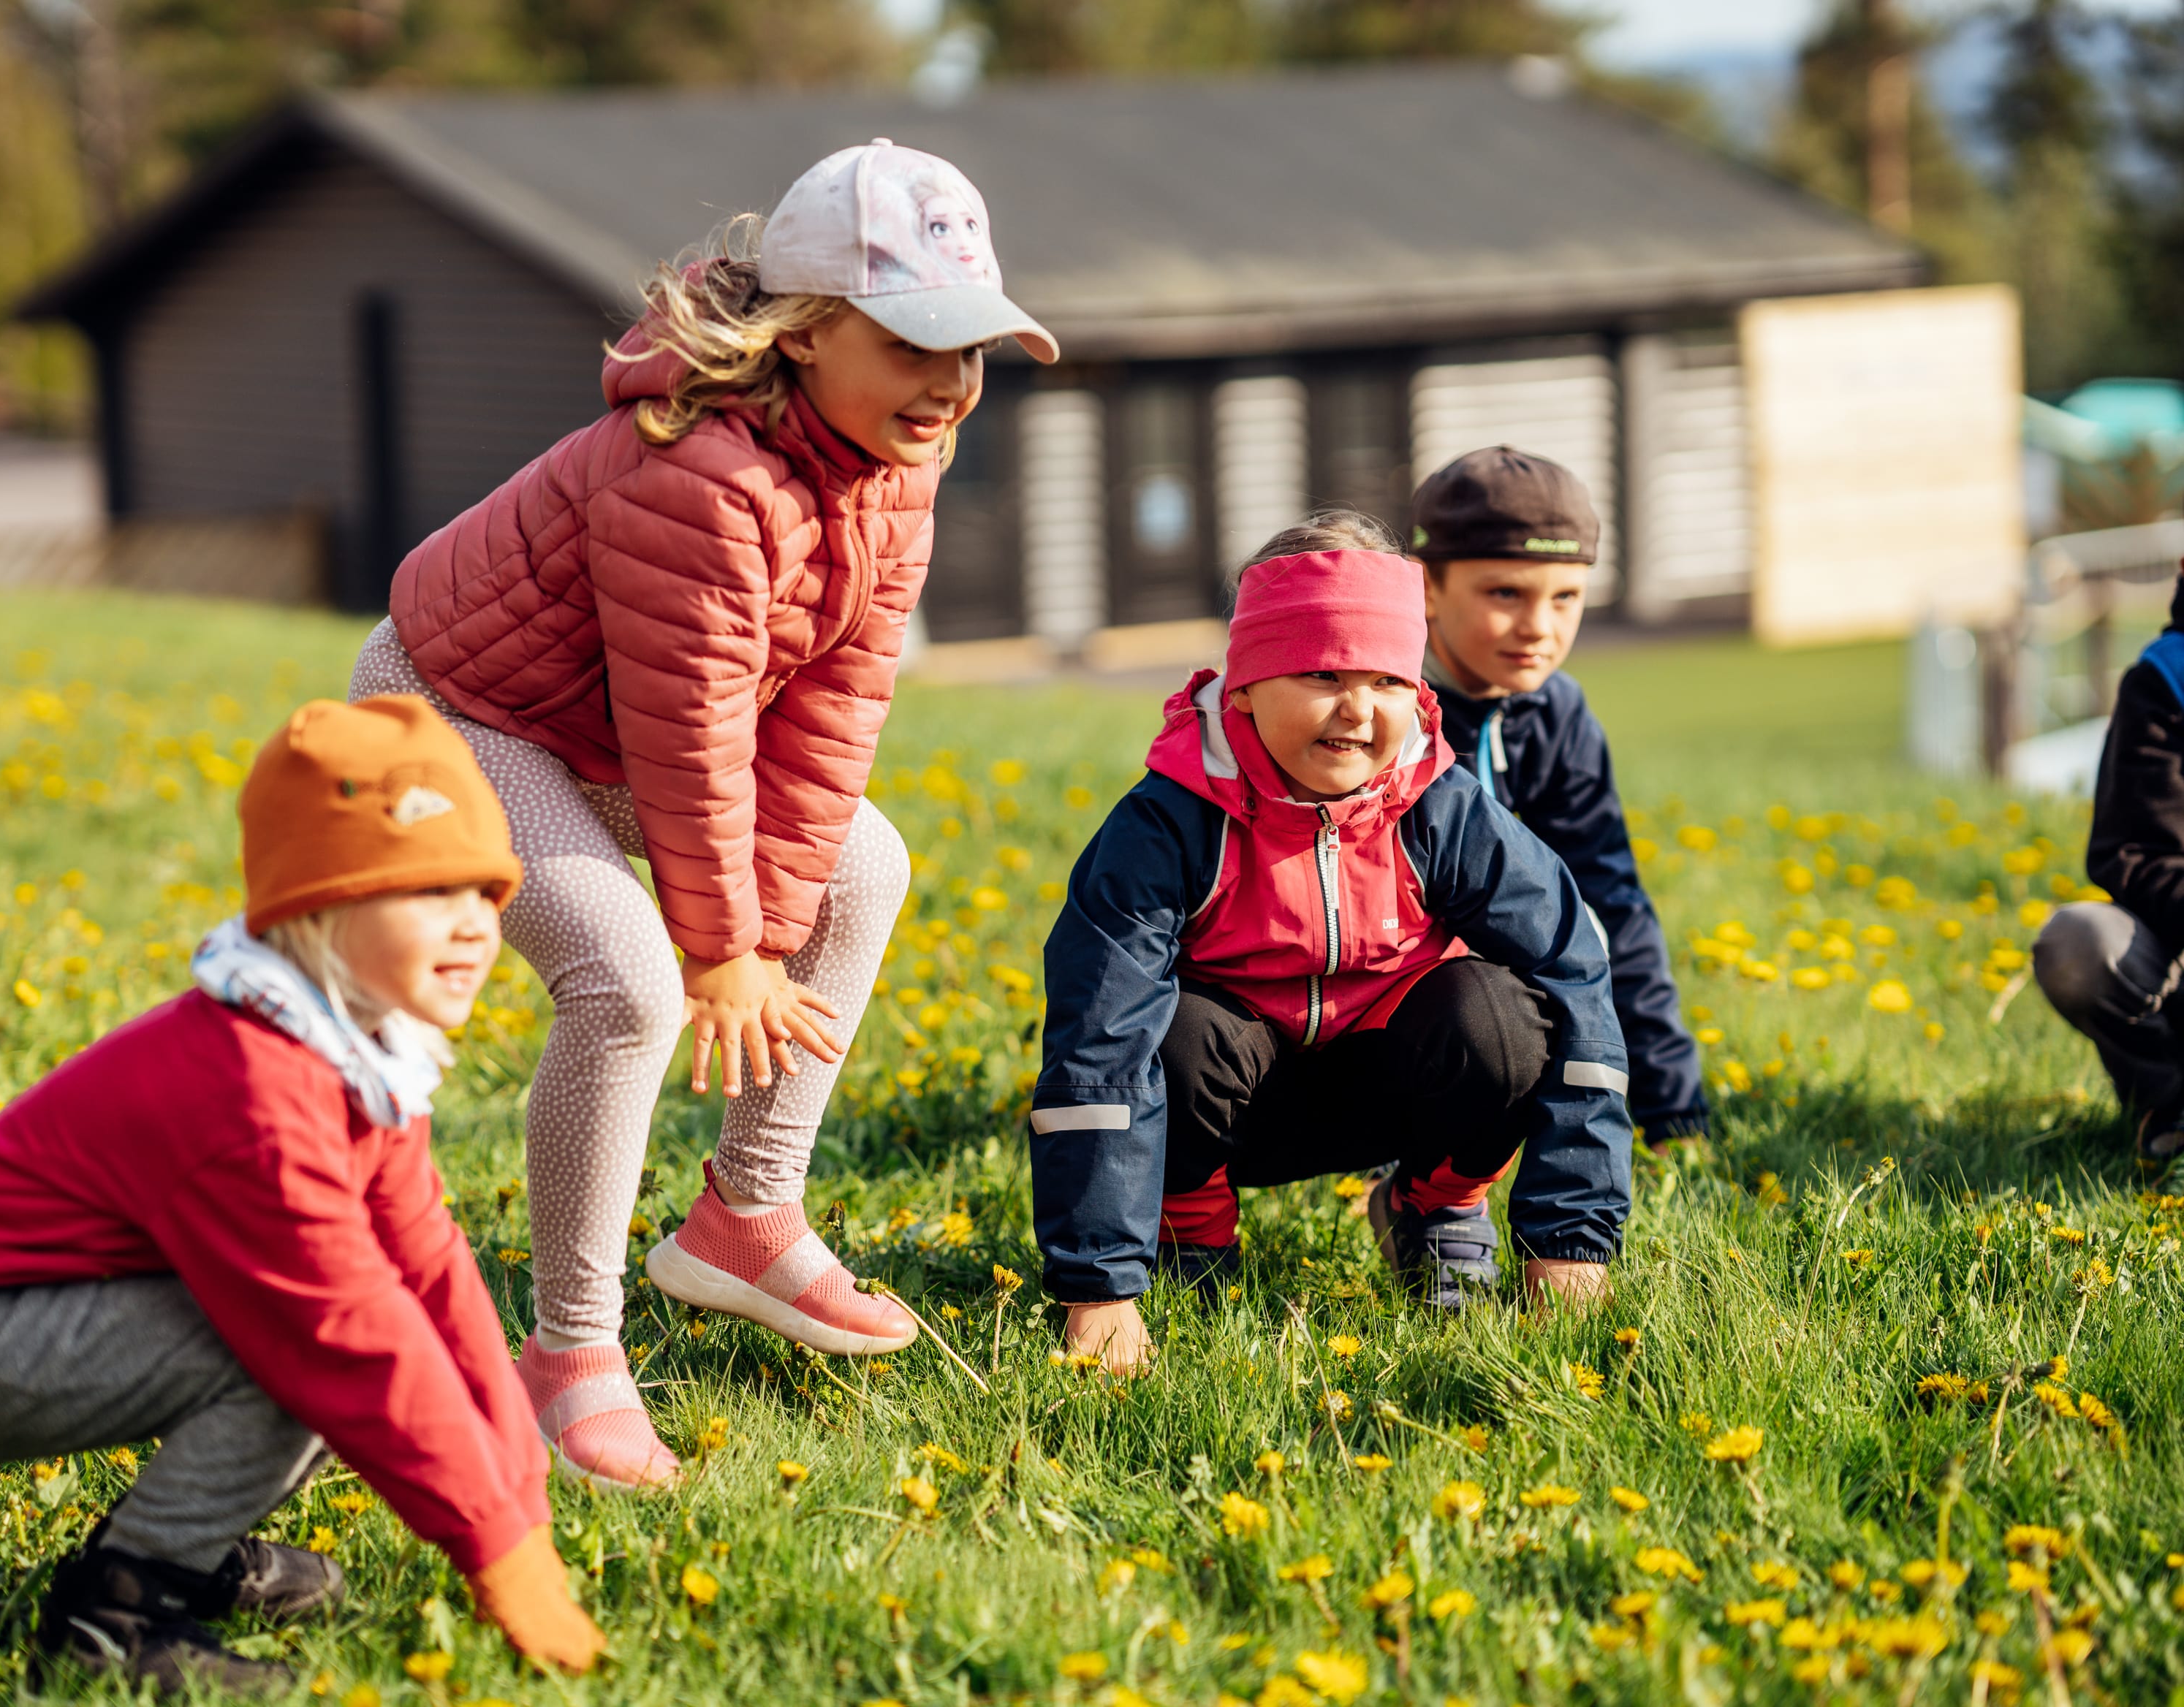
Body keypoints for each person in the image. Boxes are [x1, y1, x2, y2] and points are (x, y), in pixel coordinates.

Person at [350, 140, 1058, 1489]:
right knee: (627, 980)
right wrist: (723, 950)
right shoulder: (700, 477)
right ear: (805, 334)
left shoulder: (890, 470)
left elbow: (827, 716)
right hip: (454, 708)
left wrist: (765, 924)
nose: (950, 383)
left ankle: (742, 1215)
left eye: (971, 348)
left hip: (589, 727)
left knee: (865, 863)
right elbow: (688, 734)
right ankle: (566, 1357)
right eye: (914, 344)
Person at [0, 698, 604, 1689]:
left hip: (55, 1310)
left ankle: (187, 1550)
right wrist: (495, 1552)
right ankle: (120, 1615)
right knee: (295, 1349)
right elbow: (343, 1327)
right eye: (432, 891)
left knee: (346, 1336)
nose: (478, 926)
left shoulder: (361, 1053)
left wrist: (518, 1502)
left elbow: (426, 1266)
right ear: (320, 903)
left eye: (486, 892)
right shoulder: (258, 1091)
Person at [1029, 536, 1634, 1373]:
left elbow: (1575, 973)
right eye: (1323, 675)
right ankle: (1187, 1231)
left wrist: (1572, 1236)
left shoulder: (1442, 808)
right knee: (1171, 1033)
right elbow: (1096, 1038)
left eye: (1387, 679)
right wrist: (1098, 1283)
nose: (1359, 709)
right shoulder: (1169, 823)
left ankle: (1436, 1207)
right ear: (1244, 685)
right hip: (1234, 1111)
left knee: (1501, 1018)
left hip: (1394, 1089)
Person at [1411, 447, 1707, 1146]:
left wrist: (1671, 1105)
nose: (1540, 627)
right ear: (1426, 587)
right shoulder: (1378, 711)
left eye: (1565, 597)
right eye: (1506, 594)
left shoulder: (1556, 714)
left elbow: (1612, 905)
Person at [2035, 566, 2184, 1162]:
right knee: (2077, 943)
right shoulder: (2164, 680)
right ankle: (2167, 1107)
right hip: (2174, 958)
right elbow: (2132, 853)